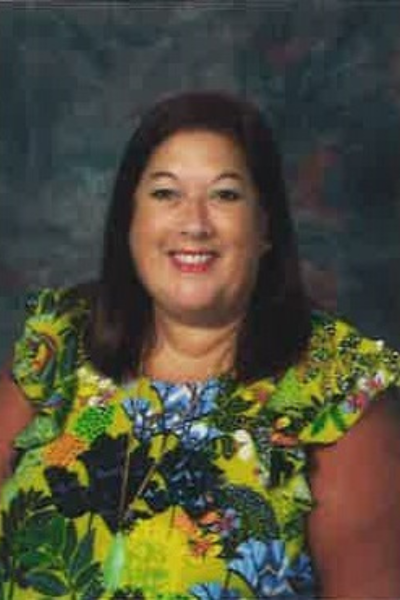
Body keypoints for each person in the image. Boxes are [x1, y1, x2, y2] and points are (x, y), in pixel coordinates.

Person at [1, 90, 400, 599]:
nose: (193, 223)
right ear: (129, 221)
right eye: (165, 193)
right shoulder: (59, 351)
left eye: (225, 195)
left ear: (265, 226)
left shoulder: (331, 394)